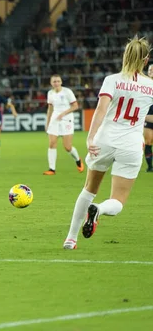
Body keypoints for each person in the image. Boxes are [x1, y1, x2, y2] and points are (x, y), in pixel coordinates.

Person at [63, 36, 153, 250]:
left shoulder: (112, 80)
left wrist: (90, 137)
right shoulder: (150, 86)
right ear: (146, 60)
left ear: (125, 55)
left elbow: (101, 111)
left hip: (105, 139)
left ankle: (70, 239)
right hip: (131, 144)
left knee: (88, 188)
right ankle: (99, 210)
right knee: (118, 200)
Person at [43, 75, 84, 175]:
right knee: (52, 143)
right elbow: (50, 109)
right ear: (51, 83)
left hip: (67, 119)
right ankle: (51, 169)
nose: (56, 83)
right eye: (54, 81)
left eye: (58, 81)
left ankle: (78, 160)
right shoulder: (50, 93)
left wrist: (63, 113)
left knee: (67, 147)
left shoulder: (67, 92)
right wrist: (47, 123)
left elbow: (75, 106)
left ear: (61, 82)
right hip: (55, 119)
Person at [144, 64, 153, 172]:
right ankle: (150, 166)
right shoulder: (145, 84)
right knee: (148, 141)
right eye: (150, 69)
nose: (151, 71)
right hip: (148, 116)